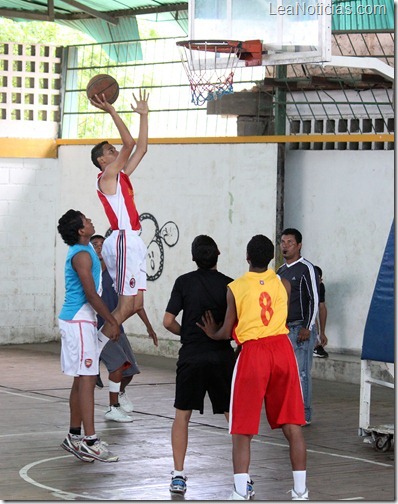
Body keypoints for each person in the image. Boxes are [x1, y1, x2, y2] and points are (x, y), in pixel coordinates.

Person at [197, 235, 308, 501]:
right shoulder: (283, 283)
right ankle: (301, 491)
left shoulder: (235, 287)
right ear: (273, 257)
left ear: (247, 256)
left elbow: (225, 332)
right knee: (293, 426)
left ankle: (239, 490)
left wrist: (212, 333)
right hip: (282, 350)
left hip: (254, 352)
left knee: (242, 428)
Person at [163, 235, 236, 496]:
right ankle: (243, 478)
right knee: (233, 418)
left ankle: (179, 475)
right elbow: (235, 327)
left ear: (193, 257)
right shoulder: (231, 285)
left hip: (192, 356)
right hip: (221, 357)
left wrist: (187, 334)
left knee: (182, 415)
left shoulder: (183, 282)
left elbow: (168, 321)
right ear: (218, 253)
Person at [57, 209, 120, 463]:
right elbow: (92, 294)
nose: (91, 220)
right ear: (81, 231)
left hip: (77, 320)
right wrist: (112, 320)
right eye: (86, 220)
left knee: (80, 379)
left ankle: (74, 435)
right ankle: (91, 441)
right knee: (87, 378)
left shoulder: (84, 252)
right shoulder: (82, 255)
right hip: (79, 320)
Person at [89, 89, 149, 346]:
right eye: (110, 150)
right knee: (125, 306)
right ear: (102, 160)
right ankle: (93, 351)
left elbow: (141, 148)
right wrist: (112, 110)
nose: (116, 151)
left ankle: (96, 348)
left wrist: (144, 116)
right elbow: (130, 144)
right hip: (123, 239)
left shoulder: (121, 175)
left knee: (136, 305)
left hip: (133, 239)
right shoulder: (106, 178)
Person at [90, 234, 158, 423]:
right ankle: (113, 408)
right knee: (119, 365)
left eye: (102, 244)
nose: (98, 247)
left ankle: (119, 393)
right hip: (101, 328)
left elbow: (134, 302)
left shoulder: (117, 274)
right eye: (94, 244)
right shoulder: (91, 275)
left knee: (130, 370)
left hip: (116, 326)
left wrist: (149, 327)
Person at [277, 228, 319, 426]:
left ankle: (305, 414)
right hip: (284, 330)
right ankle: (290, 411)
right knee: (287, 374)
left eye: (290, 242)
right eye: (283, 242)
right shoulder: (280, 272)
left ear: (299, 245)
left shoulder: (306, 268)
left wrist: (307, 327)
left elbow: (314, 299)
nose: (285, 246)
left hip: (300, 330)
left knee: (302, 373)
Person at [313, 266, 329, 358]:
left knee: (313, 313)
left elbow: (322, 308)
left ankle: (316, 345)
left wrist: (322, 333)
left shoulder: (320, 287)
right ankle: (315, 344)